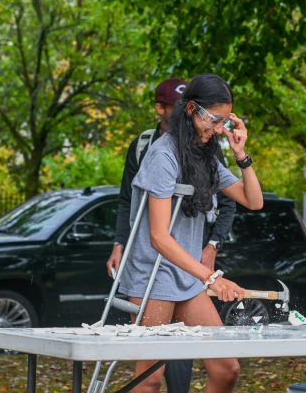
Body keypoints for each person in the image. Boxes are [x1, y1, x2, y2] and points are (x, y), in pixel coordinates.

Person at [113, 73, 263, 393]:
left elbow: (253, 200)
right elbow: (159, 237)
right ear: (193, 110)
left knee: (226, 368)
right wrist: (210, 278)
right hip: (152, 275)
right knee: (150, 378)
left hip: (186, 277)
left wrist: (241, 155)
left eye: (225, 120)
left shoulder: (206, 154)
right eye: (215, 119)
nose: (219, 128)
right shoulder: (163, 155)